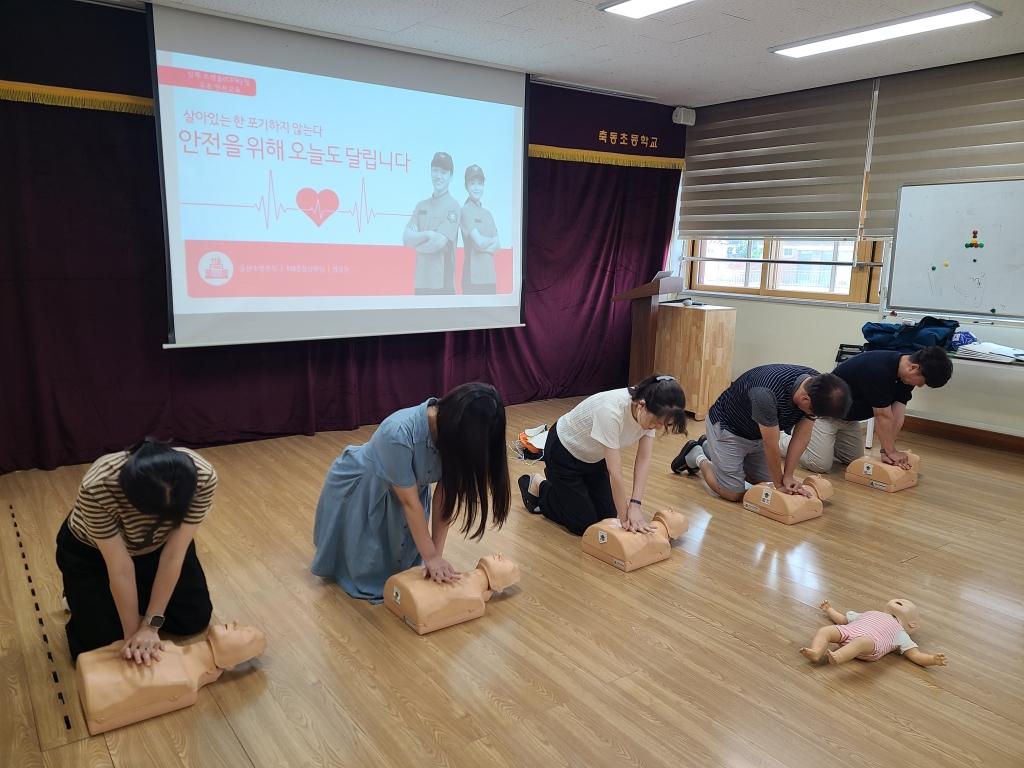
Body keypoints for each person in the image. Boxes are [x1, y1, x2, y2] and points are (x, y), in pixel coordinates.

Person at [311, 382, 510, 602]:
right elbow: (409, 503)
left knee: (408, 574)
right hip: (363, 491)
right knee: (369, 575)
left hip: (404, 499)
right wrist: (431, 558)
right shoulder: (398, 433)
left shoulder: (452, 436)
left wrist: (434, 557)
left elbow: (445, 496)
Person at [55, 438, 216, 664]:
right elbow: (120, 568)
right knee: (101, 645)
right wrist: (133, 637)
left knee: (193, 620)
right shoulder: (99, 485)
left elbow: (173, 555)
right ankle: (77, 595)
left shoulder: (203, 476)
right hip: (93, 554)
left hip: (159, 547)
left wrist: (150, 627)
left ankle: (137, 592)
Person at [518, 375, 688, 536]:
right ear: (641, 405)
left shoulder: (650, 409)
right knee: (582, 525)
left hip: (594, 458)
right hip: (563, 453)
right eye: (656, 422)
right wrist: (625, 520)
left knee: (606, 517)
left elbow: (643, 459)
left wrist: (635, 505)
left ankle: (570, 493)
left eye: (663, 425)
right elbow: (615, 472)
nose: (657, 428)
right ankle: (540, 485)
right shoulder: (611, 411)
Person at [673, 365, 851, 502]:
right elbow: (771, 445)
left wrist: (787, 476)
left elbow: (802, 435)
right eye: (815, 413)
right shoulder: (765, 394)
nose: (814, 416)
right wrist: (780, 484)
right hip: (728, 429)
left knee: (767, 484)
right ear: (805, 399)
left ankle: (709, 447)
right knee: (733, 493)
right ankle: (696, 455)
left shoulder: (818, 388)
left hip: (757, 435)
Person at [780, 346, 952, 472]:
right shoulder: (878, 369)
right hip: (825, 417)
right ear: (913, 368)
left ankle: (820, 445)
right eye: (922, 382)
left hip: (849, 420)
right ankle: (782, 439)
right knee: (820, 465)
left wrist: (888, 449)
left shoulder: (905, 378)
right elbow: (882, 415)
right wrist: (889, 451)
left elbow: (896, 414)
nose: (920, 386)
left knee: (855, 461)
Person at [403, 151, 461, 295]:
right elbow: (406, 238)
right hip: (421, 283)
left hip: (442, 284)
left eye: (443, 172)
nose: (438, 176)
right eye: (435, 170)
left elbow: (438, 243)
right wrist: (429, 234)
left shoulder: (453, 207)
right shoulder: (421, 206)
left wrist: (416, 244)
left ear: (451, 177)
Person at [459, 164, 500, 295]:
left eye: (480, 183)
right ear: (466, 186)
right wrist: (488, 242)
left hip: (490, 277)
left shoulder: (488, 214)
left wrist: (482, 245)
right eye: (472, 183)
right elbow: (479, 241)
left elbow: (498, 245)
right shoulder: (465, 210)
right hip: (473, 278)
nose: (477, 188)